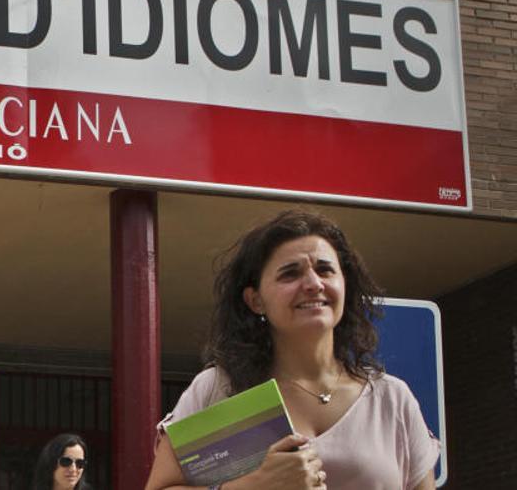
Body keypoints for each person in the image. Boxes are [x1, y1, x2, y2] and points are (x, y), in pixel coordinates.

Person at [145, 210, 439, 490]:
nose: (313, 284)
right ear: (255, 300)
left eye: (325, 270)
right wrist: (251, 487)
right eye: (290, 274)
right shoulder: (220, 388)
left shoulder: (392, 400)